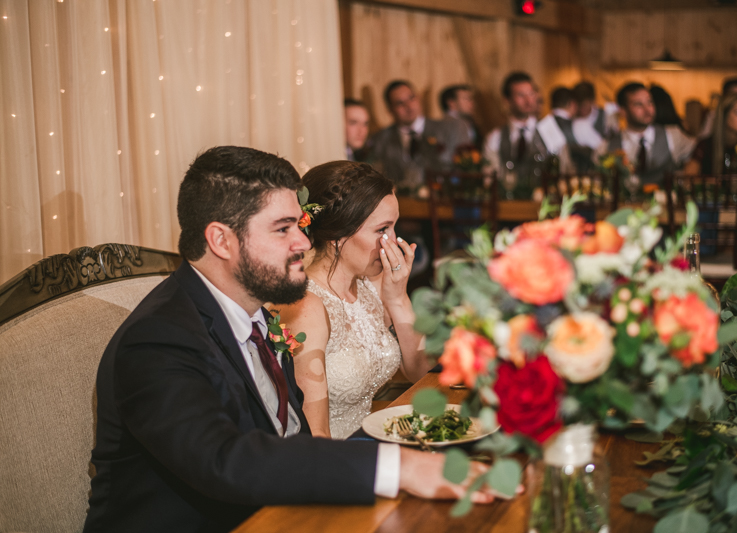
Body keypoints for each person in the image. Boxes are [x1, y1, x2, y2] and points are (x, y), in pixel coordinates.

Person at [83, 146, 494, 532]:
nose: (303, 242)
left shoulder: (258, 312)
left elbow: (290, 432)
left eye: (299, 224)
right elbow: (223, 460)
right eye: (283, 229)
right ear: (221, 240)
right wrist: (396, 468)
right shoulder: (159, 339)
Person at [276, 161, 428, 439]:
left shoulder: (372, 283)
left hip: (373, 440)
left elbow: (421, 372)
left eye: (394, 227)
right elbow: (315, 435)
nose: (393, 241)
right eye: (382, 229)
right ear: (338, 236)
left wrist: (398, 298)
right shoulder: (306, 308)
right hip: (334, 460)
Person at [371, 80, 469, 191]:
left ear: (419, 98)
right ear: (390, 109)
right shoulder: (380, 140)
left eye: (411, 98)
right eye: (400, 103)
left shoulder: (449, 130)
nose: (408, 106)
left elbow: (465, 171)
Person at [595, 82, 695, 186]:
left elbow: (699, 153)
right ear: (623, 112)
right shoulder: (607, 146)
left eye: (649, 102)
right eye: (638, 104)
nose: (647, 109)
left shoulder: (672, 135)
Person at [484, 72, 559, 197]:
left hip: (544, 207)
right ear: (507, 100)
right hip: (507, 208)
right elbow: (490, 178)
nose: (528, 100)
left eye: (531, 94)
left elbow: (564, 171)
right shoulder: (495, 137)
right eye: (521, 95)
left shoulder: (550, 132)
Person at [571, 81, 616, 150]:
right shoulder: (571, 118)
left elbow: (613, 142)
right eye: (579, 106)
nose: (582, 109)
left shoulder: (606, 116)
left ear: (592, 101)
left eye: (585, 105)